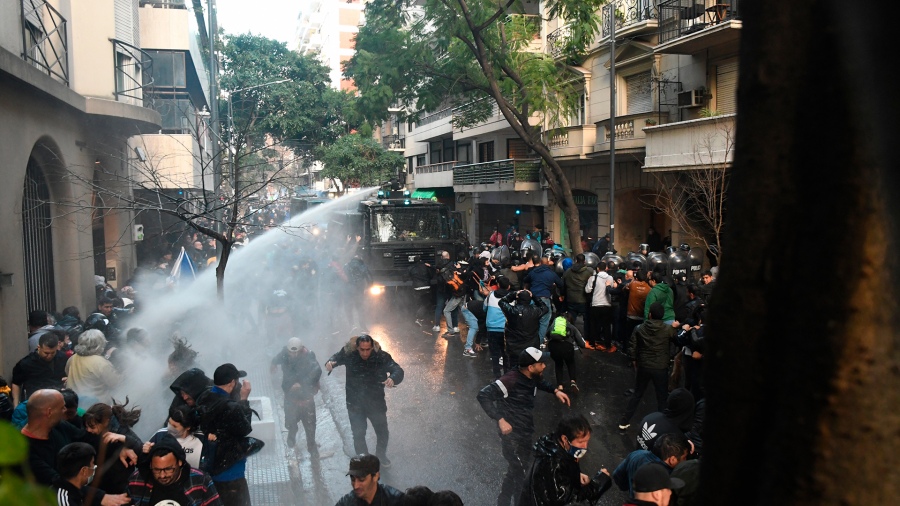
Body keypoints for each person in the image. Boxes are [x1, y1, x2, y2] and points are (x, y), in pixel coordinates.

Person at [476, 347, 571, 506]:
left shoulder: (532, 375)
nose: (544, 366)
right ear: (530, 367)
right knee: (521, 473)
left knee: (517, 468)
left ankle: (503, 500)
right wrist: (500, 419)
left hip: (525, 430)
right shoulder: (510, 379)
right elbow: (483, 395)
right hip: (511, 436)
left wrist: (555, 391)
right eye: (541, 363)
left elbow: (540, 382)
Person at [326, 334, 404, 467]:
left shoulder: (381, 356)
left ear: (372, 347)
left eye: (368, 349)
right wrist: (330, 363)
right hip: (355, 403)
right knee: (358, 433)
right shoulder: (349, 354)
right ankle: (364, 460)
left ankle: (381, 455)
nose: (365, 353)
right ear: (357, 348)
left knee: (382, 431)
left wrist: (393, 378)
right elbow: (335, 358)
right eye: (362, 349)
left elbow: (397, 369)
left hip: (375, 402)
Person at [196, 363, 257, 506]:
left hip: (211, 467)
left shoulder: (205, 397)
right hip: (230, 472)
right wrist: (243, 399)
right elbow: (245, 429)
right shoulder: (231, 407)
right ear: (232, 383)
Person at [519, 414, 612, 506]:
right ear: (564, 439)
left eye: (587, 441)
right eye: (581, 442)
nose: (585, 446)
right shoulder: (554, 464)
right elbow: (571, 502)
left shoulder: (553, 448)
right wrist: (598, 483)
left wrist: (574, 475)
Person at [618, 303, 680, 430]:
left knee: (637, 394)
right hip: (661, 367)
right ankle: (663, 427)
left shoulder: (639, 328)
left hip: (644, 366)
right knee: (662, 398)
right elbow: (678, 341)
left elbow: (632, 346)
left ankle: (624, 421)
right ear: (662, 316)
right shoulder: (668, 330)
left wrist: (634, 360)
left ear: (650, 314)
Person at [127, 434, 222, 506]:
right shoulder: (136, 480)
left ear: (180, 462)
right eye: (156, 470)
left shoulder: (201, 482)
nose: (162, 475)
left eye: (168, 469)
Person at [271, 337, 322, 455]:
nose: (293, 355)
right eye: (291, 352)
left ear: (300, 350)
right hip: (290, 396)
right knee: (290, 421)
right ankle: (292, 433)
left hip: (306, 396)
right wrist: (273, 364)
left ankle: (311, 445)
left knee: (310, 425)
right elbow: (277, 358)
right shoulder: (284, 353)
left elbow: (317, 371)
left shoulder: (309, 356)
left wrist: (302, 384)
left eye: (295, 352)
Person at [613, 434, 691, 497]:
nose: (686, 460)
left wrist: (628, 489)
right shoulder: (670, 479)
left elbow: (617, 474)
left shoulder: (637, 454)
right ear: (672, 460)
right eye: (684, 457)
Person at [11, 331, 68, 407]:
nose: (49, 356)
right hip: (36, 403)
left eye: (53, 353)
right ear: (39, 347)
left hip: (58, 401)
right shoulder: (26, 363)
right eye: (46, 353)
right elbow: (16, 383)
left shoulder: (62, 357)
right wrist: (16, 404)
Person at [65, 330, 120, 408]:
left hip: (74, 404)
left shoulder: (72, 358)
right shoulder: (101, 363)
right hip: (96, 407)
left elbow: (67, 372)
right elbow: (115, 383)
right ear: (99, 344)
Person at [145, 404, 208, 470]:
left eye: (174, 426)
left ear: (187, 427)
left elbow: (208, 464)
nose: (170, 427)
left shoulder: (201, 439)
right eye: (169, 423)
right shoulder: (160, 435)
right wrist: (146, 451)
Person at [498, 290, 549, 370]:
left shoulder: (512, 311)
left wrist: (513, 294)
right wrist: (535, 297)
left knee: (514, 370)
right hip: (531, 346)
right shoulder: (535, 311)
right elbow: (545, 308)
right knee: (529, 370)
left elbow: (501, 302)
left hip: (513, 346)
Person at [522, 257, 564, 345]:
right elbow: (561, 284)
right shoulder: (551, 274)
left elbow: (525, 280)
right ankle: (539, 342)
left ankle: (530, 340)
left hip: (533, 298)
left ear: (540, 263)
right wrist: (561, 295)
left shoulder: (533, 272)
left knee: (532, 319)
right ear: (548, 263)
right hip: (545, 298)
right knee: (544, 320)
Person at [335, 454, 405, 506]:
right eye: (353, 479)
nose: (356, 486)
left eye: (361, 479)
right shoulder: (347, 502)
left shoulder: (396, 500)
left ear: (375, 477)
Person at [545, 315, 586, 393]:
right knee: (570, 363)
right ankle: (573, 381)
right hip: (567, 347)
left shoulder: (553, 325)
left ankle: (560, 385)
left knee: (558, 364)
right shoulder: (571, 327)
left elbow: (547, 335)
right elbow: (581, 343)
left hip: (554, 347)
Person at [585, 261, 616, 352]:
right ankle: (607, 345)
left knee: (593, 324)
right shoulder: (610, 277)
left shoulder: (593, 278)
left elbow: (587, 290)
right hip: (607, 305)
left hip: (595, 304)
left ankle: (592, 343)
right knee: (606, 326)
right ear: (606, 268)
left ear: (598, 269)